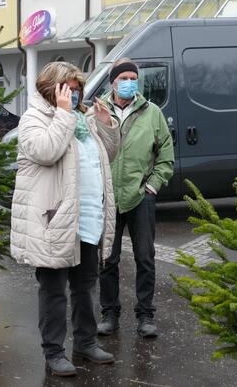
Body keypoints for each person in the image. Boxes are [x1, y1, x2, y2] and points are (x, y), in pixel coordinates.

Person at [10, 62, 120, 377]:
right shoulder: (34, 119)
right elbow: (47, 151)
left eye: (77, 90)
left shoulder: (83, 120)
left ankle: (85, 342)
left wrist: (106, 124)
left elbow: (107, 157)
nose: (73, 95)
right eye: (67, 89)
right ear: (51, 88)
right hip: (53, 221)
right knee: (54, 291)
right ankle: (54, 352)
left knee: (86, 287)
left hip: (86, 219)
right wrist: (63, 114)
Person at [97, 58, 175, 338]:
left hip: (140, 196)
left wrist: (152, 186)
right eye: (123, 78)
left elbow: (166, 155)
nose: (129, 82)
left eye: (133, 78)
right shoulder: (98, 111)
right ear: (112, 82)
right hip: (108, 197)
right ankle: (109, 313)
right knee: (107, 258)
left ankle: (145, 315)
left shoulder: (151, 113)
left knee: (145, 257)